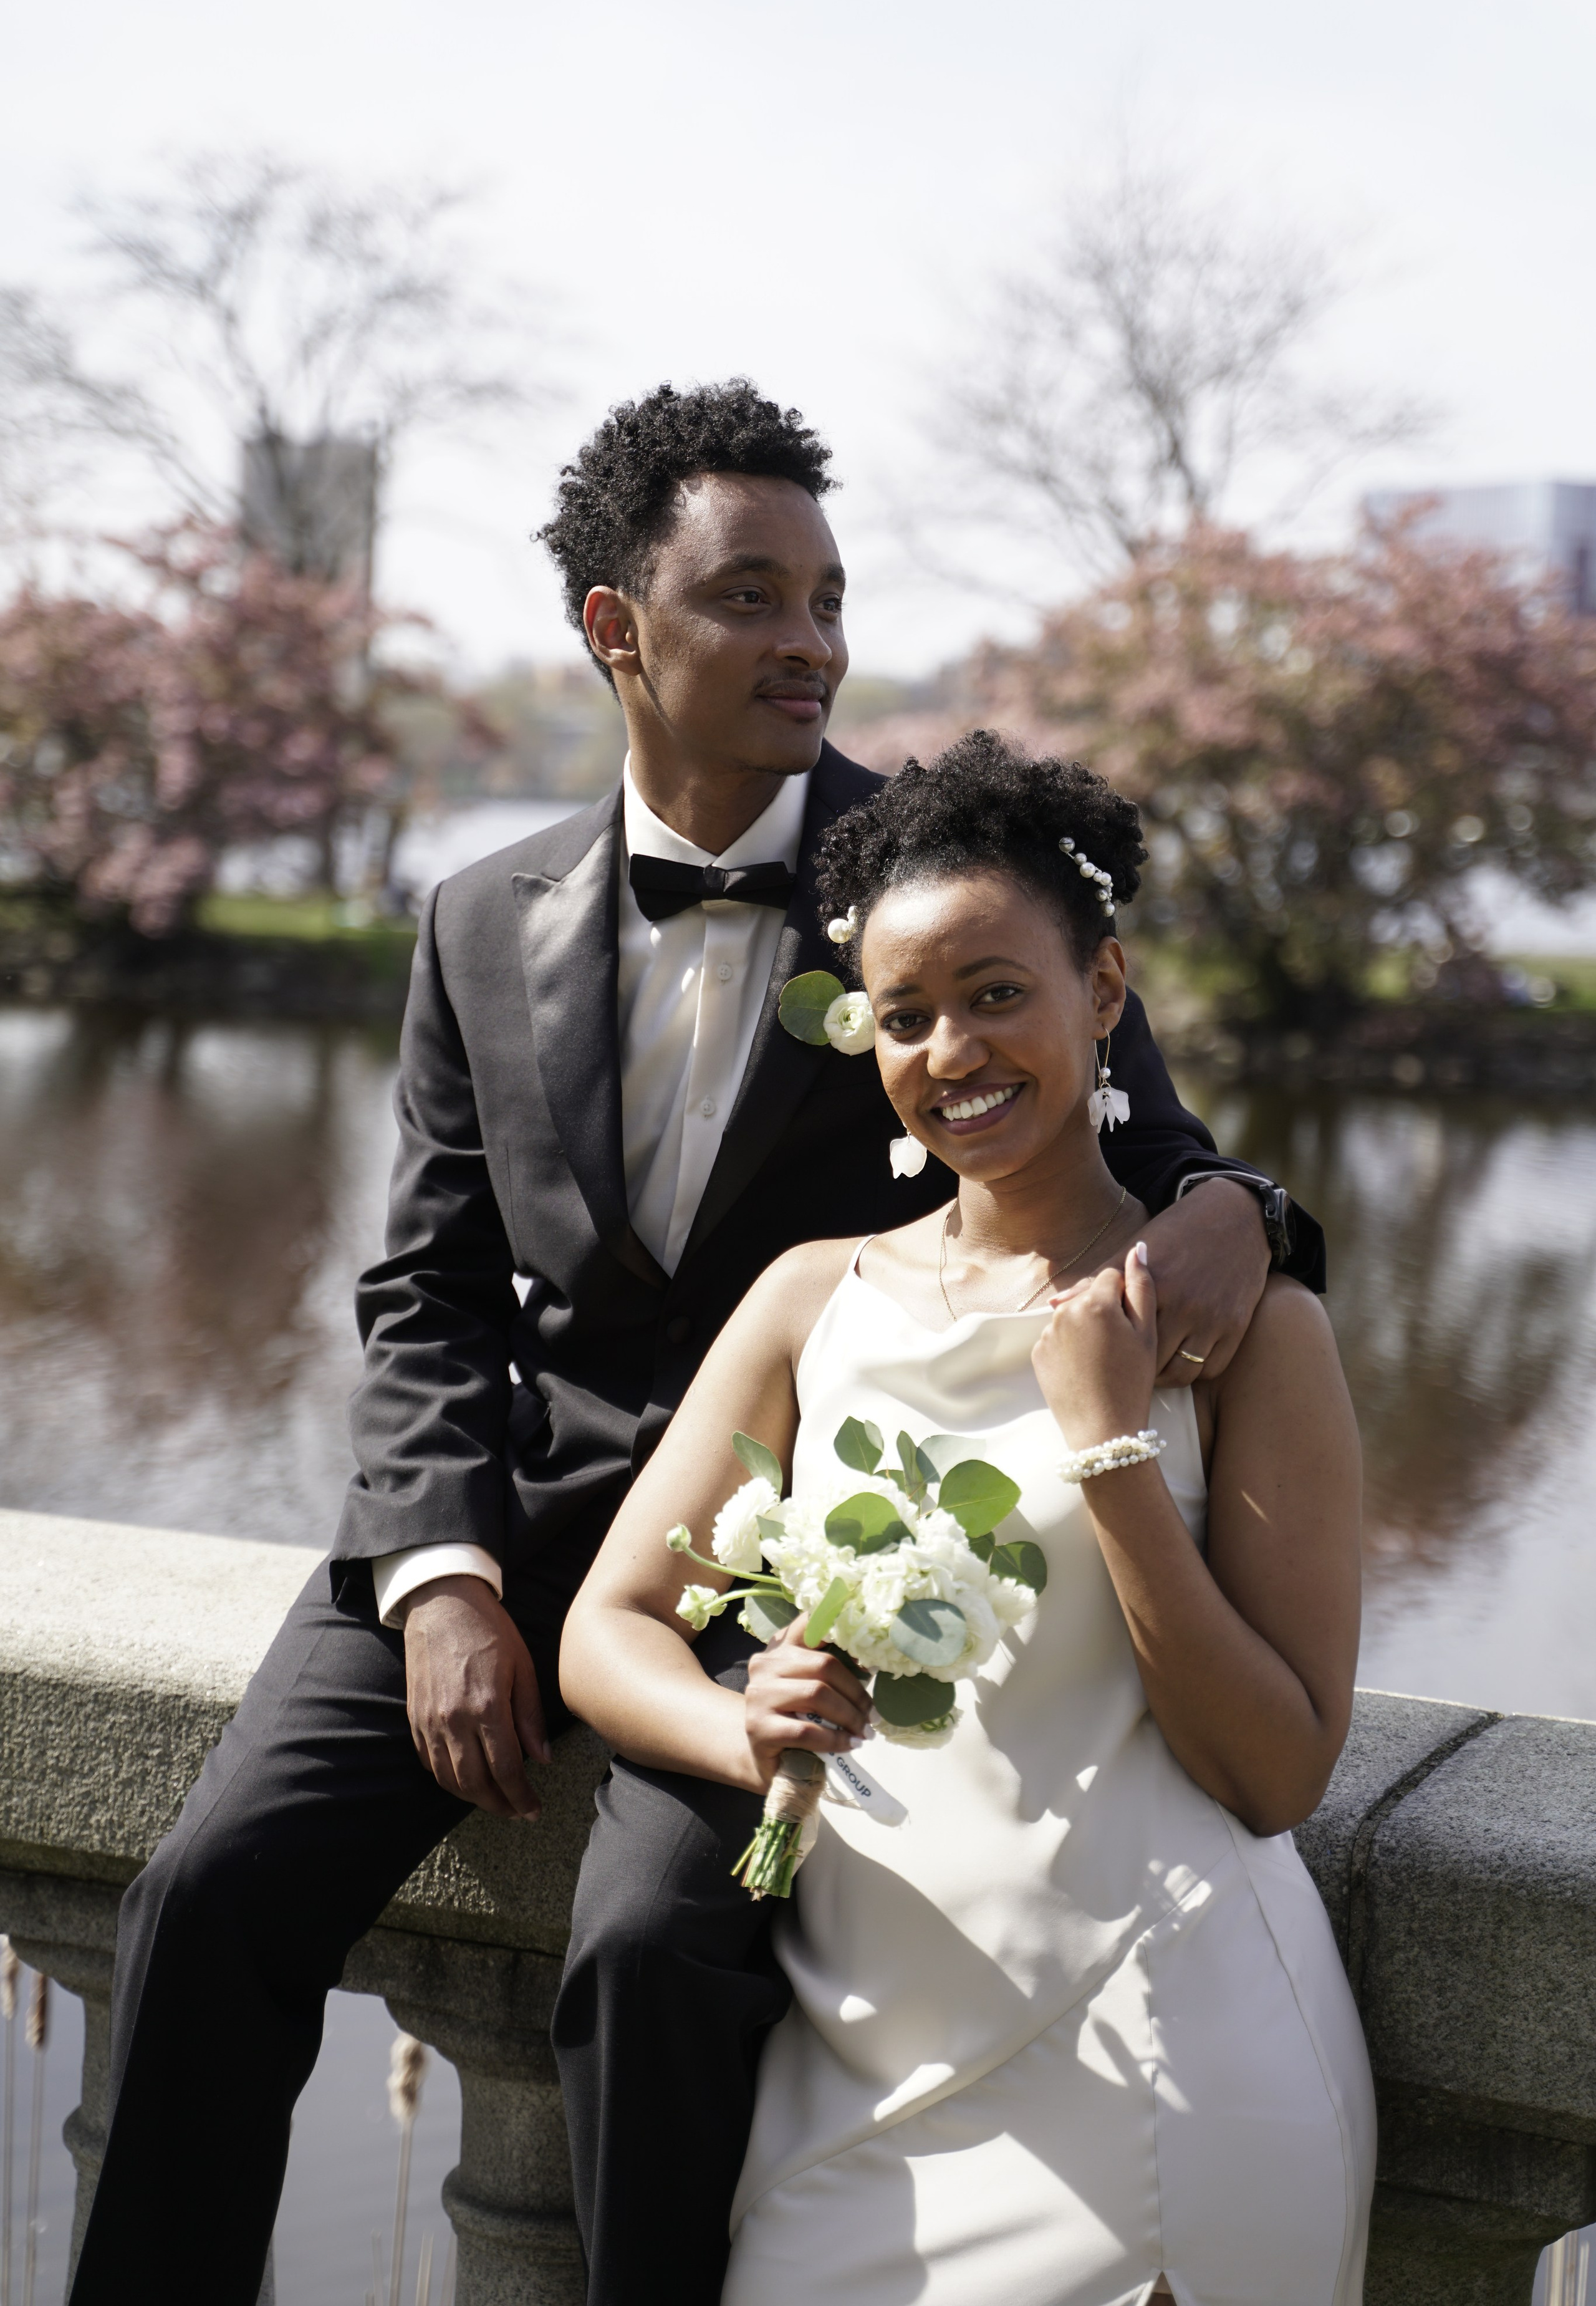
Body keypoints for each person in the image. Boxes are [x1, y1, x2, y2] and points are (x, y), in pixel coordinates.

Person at [70, 384, 1322, 2304]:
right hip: (500, 1517)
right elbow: (423, 1287)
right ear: (615, 626)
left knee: (650, 1951)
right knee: (200, 1898)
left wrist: (1249, 1203)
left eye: (831, 597)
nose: (812, 639)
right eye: (752, 594)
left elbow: (1156, 1148)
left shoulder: (923, 889)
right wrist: (440, 1572)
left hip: (782, 1571)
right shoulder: (476, 914)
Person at [561, 731, 1374, 2306]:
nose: (952, 1051)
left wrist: (1108, 1446)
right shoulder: (809, 1299)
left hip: (1172, 2066)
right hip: (857, 2070)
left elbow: (1276, 1768)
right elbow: (609, 1626)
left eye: (998, 991)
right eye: (907, 1013)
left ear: (1105, 992)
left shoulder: (1246, 1329)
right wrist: (744, 1723)